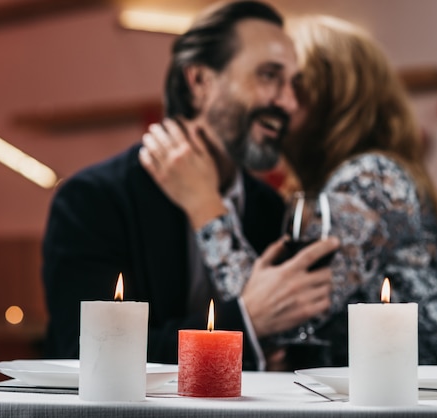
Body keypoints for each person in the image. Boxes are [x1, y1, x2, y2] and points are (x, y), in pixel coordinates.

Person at [143, 14, 437, 372]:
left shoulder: (371, 179)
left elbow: (280, 311)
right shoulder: (335, 185)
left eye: (297, 85)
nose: (281, 101)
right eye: (273, 80)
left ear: (337, 95)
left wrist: (203, 203)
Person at [42, 0, 339, 371]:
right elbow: (88, 354)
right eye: (268, 75)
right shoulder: (93, 200)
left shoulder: (270, 208)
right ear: (199, 81)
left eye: (293, 84)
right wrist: (247, 323)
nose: (289, 102)